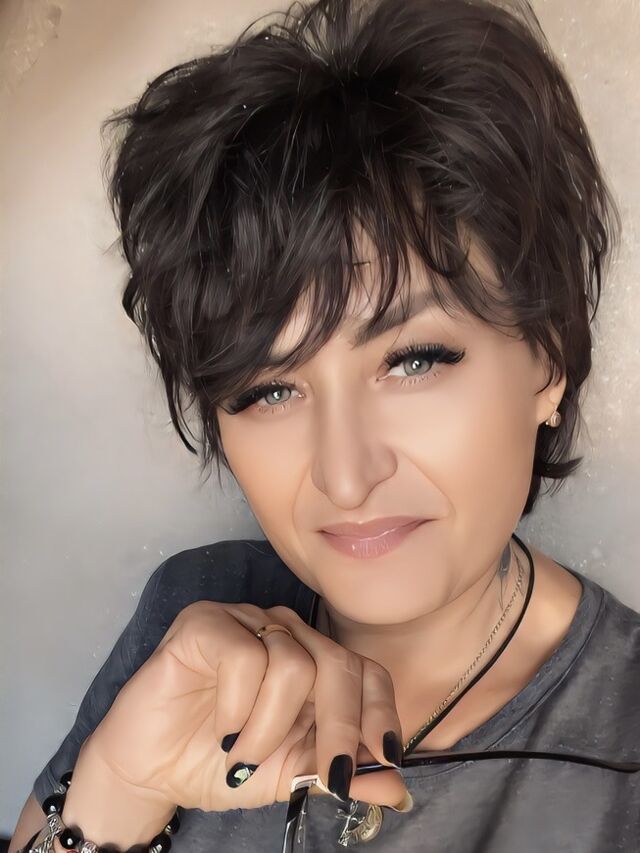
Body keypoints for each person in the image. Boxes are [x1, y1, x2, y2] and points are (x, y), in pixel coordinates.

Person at [10, 0, 639, 851]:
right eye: (269, 390)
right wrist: (123, 784)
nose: (344, 475)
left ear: (549, 359)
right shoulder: (195, 612)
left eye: (413, 359)